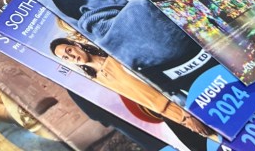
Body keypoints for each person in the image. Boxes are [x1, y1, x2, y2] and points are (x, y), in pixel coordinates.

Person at [48, 0, 212, 101]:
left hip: (194, 94)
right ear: (86, 9)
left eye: (68, 50)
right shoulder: (141, 8)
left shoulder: (106, 48)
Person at [48, 38, 216, 138]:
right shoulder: (97, 80)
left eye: (69, 50)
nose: (71, 56)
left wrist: (187, 113)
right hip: (168, 117)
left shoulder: (114, 56)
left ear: (76, 45)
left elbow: (160, 79)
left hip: (185, 106)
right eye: (65, 57)